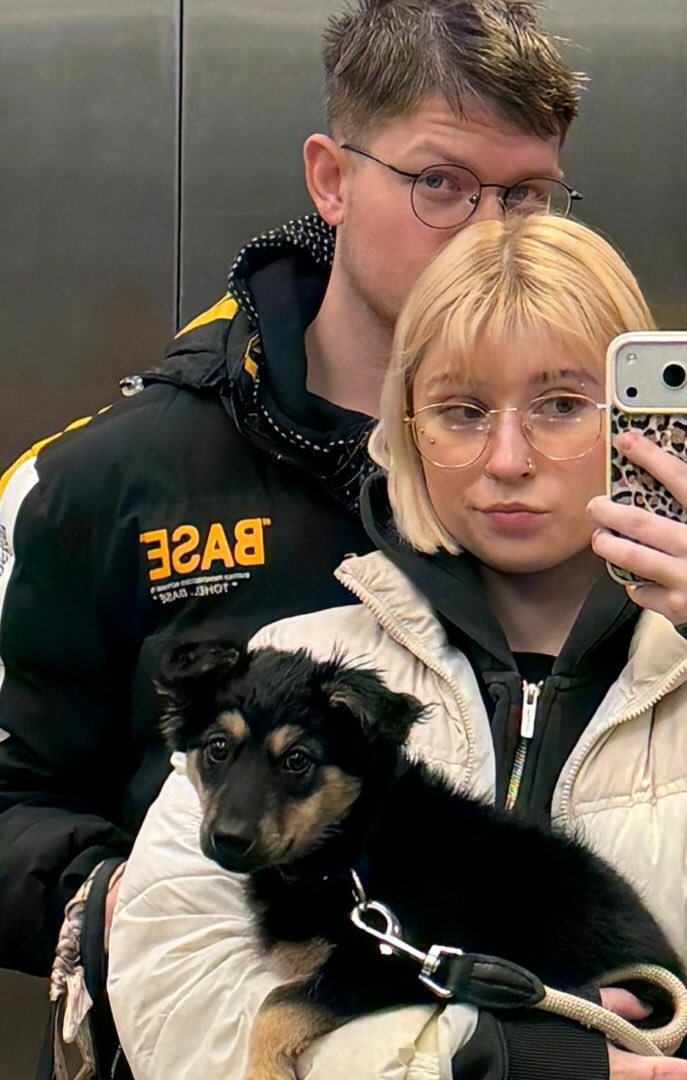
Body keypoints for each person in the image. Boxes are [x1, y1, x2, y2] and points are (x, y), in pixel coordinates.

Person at [108, 215, 687, 1080]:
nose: (508, 458)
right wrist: (474, 1061)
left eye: (561, 405)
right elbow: (175, 998)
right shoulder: (294, 669)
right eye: (462, 410)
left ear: (633, 420)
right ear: (409, 430)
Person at [0, 0, 581, 1072]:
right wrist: (119, 902)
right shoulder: (107, 482)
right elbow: (12, 798)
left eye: (528, 195)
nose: (491, 236)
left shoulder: (625, 480)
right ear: (332, 179)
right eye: (441, 183)